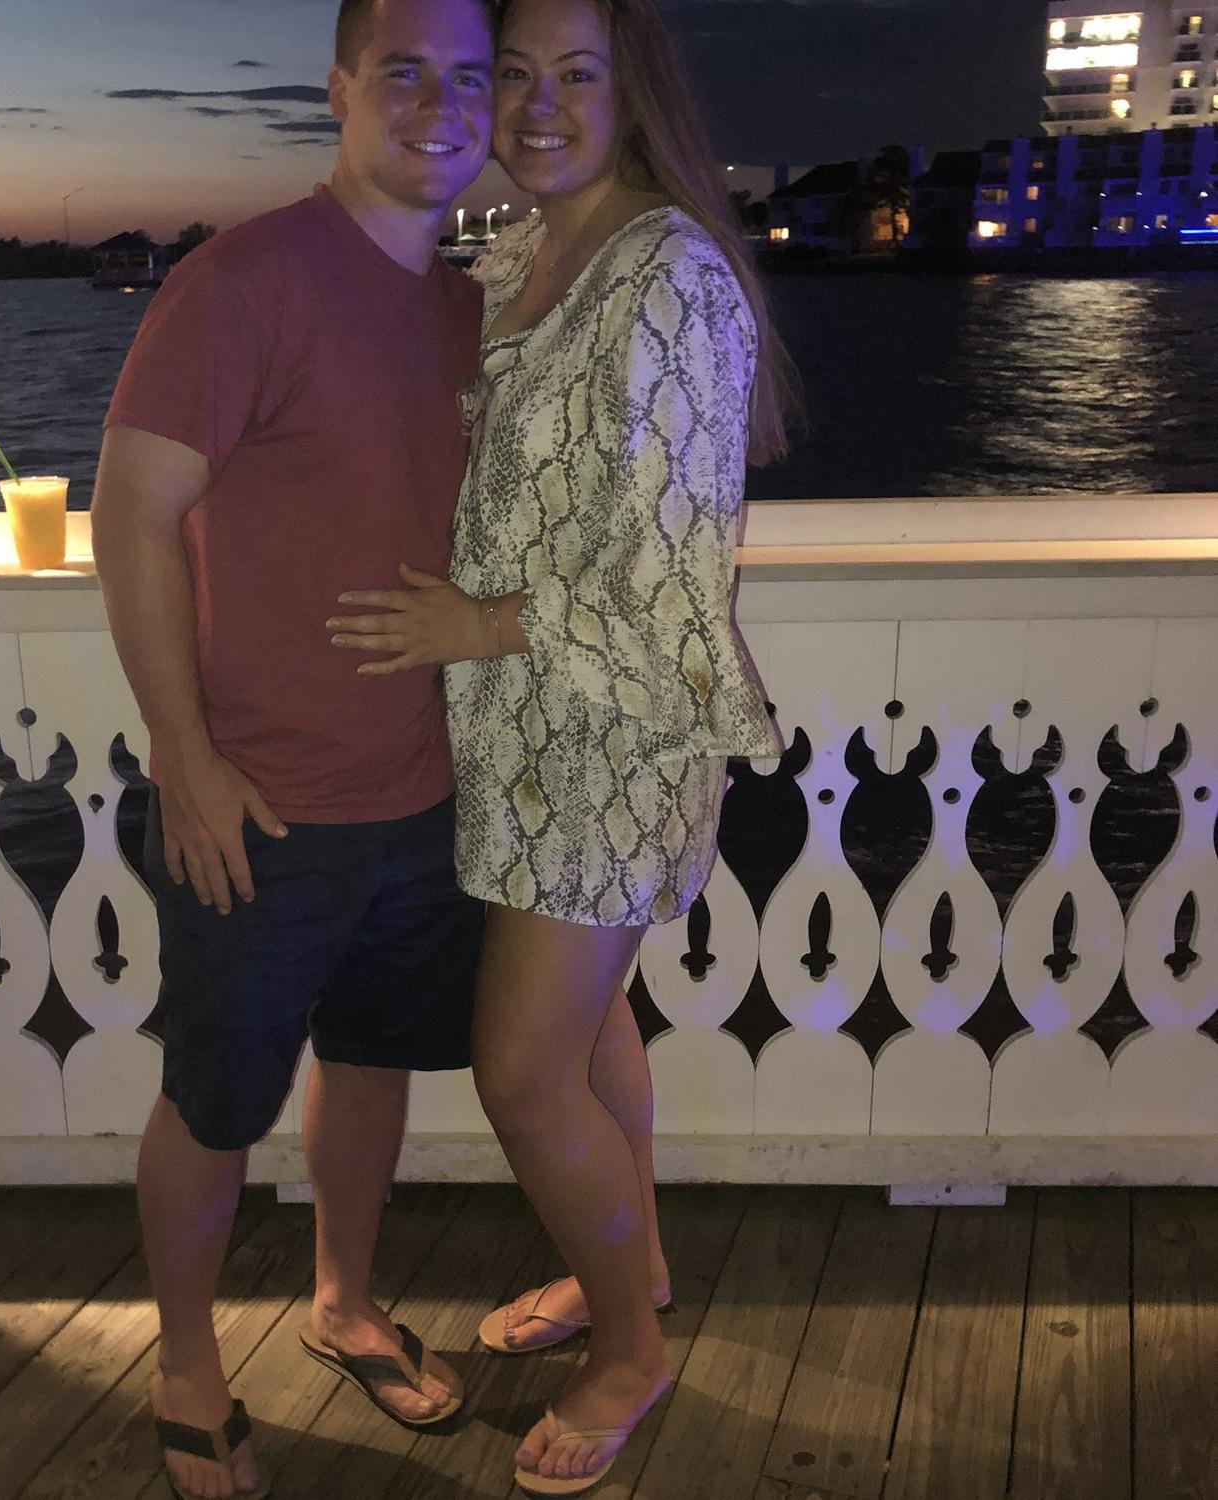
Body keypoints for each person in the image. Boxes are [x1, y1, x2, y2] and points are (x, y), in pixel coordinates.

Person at [327, 0, 795, 1490]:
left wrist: (477, 623)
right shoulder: (525, 251)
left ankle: (630, 1355)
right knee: (590, 1037)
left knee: (523, 1071)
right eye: (512, 73)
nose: (535, 103)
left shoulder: (670, 274)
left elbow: (670, 569)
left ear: (631, 89)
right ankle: (628, 1267)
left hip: (611, 734)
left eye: (573, 73)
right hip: (518, 735)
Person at [91, 1, 496, 1495]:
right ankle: (185, 1363)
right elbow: (128, 516)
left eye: (469, 76)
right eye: (404, 71)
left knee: (374, 1064)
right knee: (215, 1101)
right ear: (339, 90)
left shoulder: (467, 308)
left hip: (423, 795)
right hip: (255, 804)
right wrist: (184, 757)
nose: (440, 104)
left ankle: (342, 1302)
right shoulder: (244, 280)